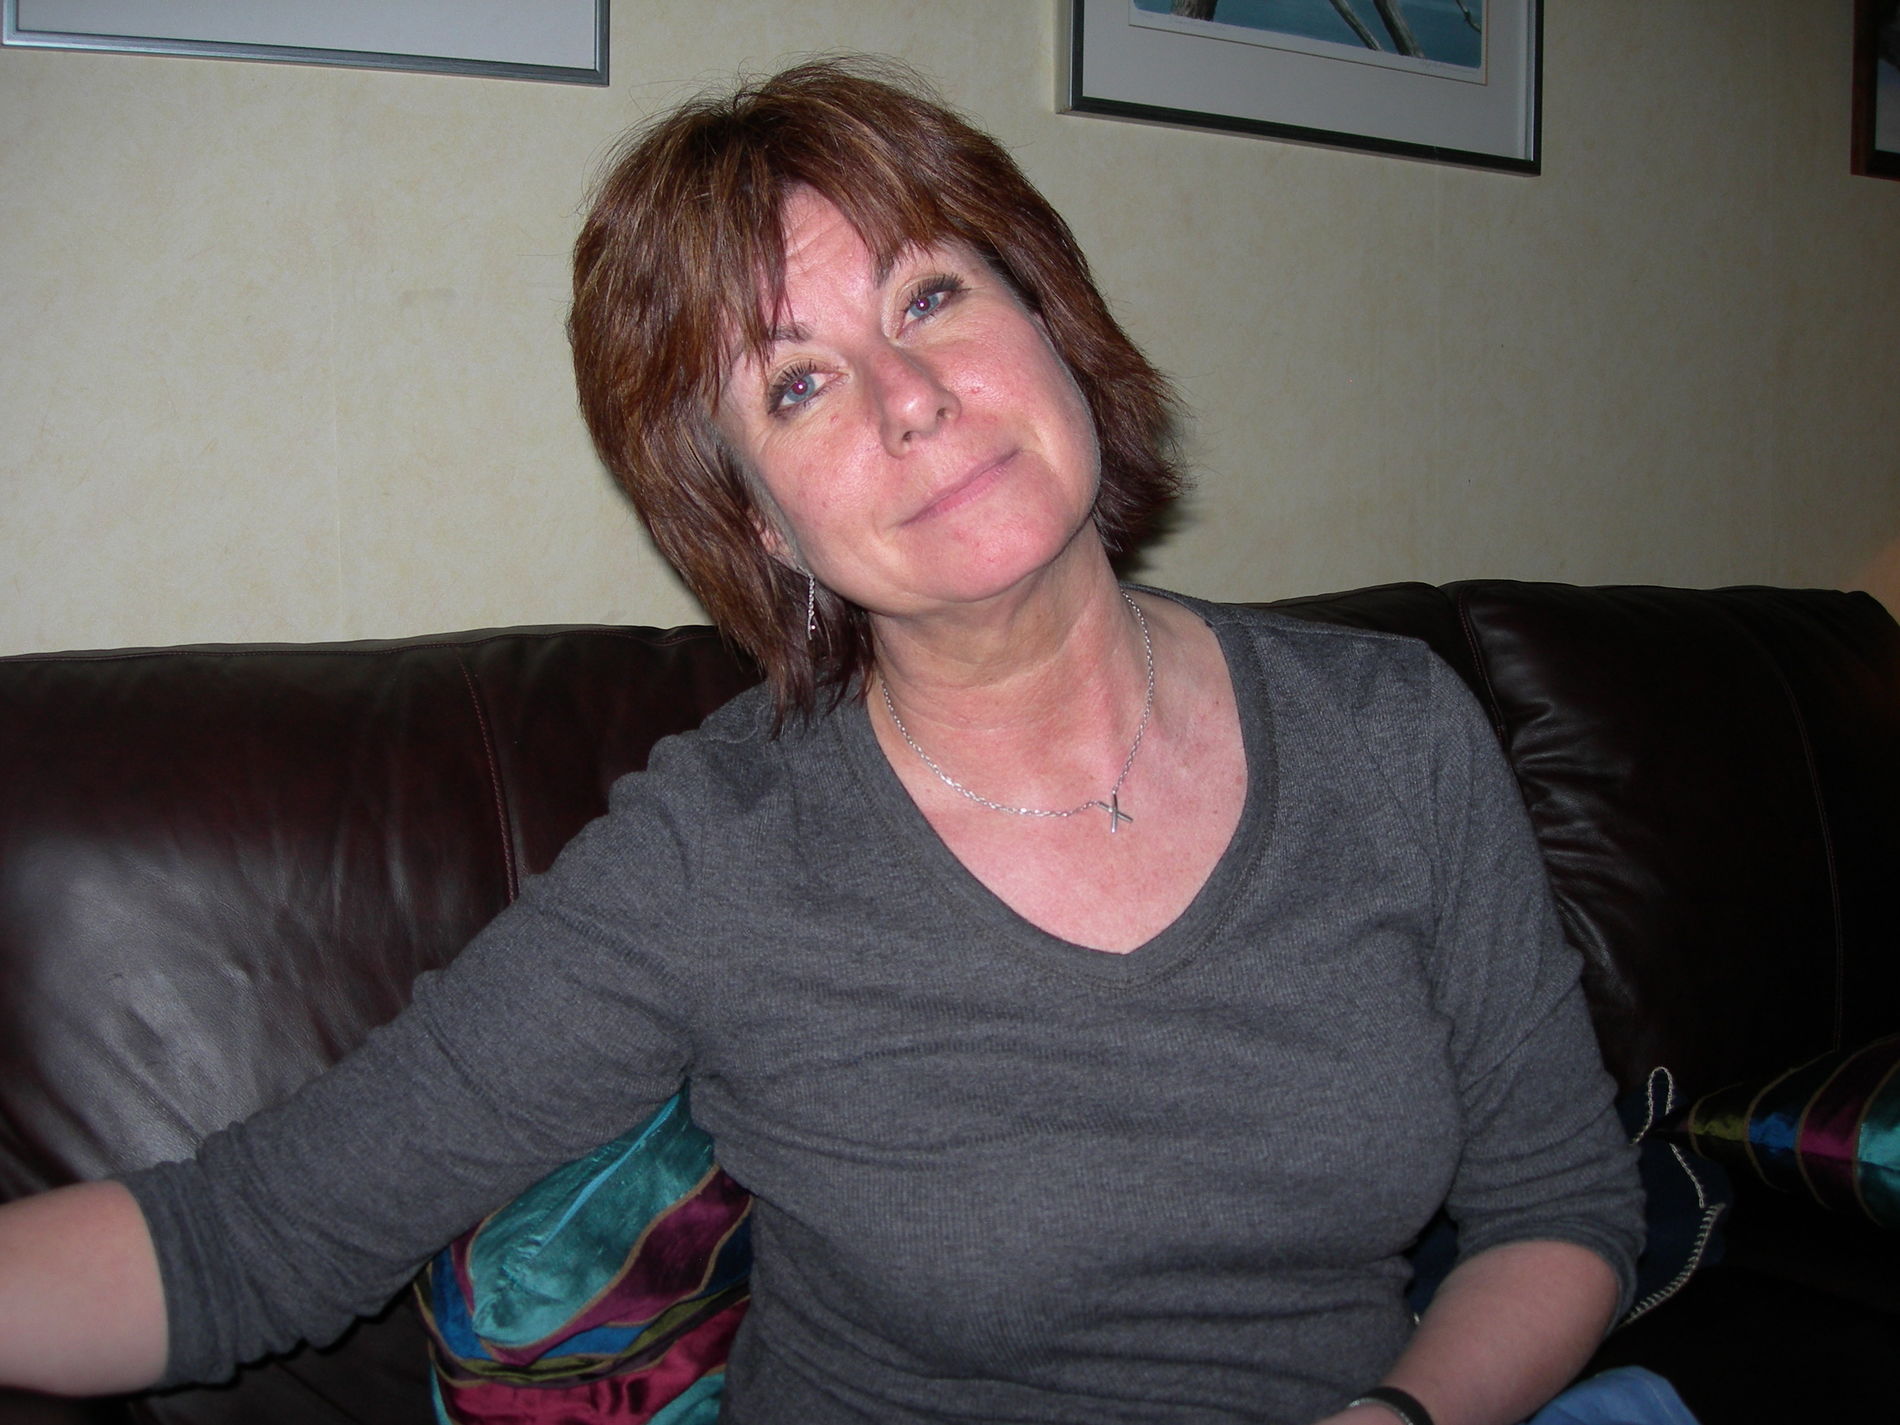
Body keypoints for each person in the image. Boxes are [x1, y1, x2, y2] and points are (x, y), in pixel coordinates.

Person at [0, 58, 1643, 1425]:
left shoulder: (1391, 732)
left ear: (1050, 320)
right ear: (763, 527)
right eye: (797, 387)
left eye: (931, 294)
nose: (909, 394)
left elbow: (1559, 1209)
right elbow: (244, 1237)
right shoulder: (721, 853)